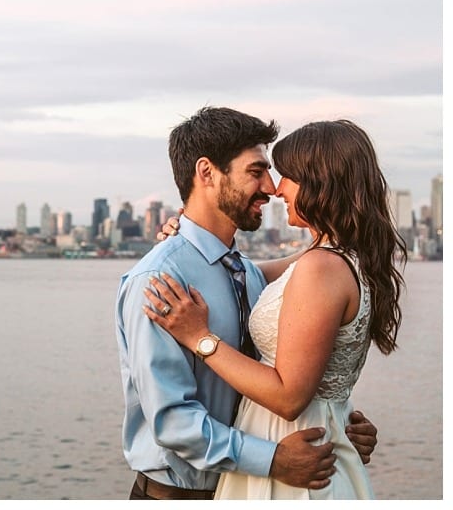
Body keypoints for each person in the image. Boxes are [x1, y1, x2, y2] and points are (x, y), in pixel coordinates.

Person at [116, 107, 377, 499]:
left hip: (251, 487)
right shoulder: (160, 282)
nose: (271, 187)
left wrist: (337, 421)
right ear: (206, 173)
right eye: (256, 171)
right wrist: (273, 459)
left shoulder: (250, 274)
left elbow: (293, 366)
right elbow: (172, 422)